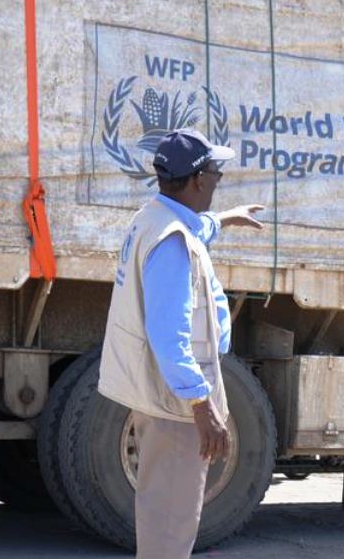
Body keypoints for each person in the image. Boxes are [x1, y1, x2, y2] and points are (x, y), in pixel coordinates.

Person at [97, 129, 263, 559]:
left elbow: (196, 229)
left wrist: (227, 217)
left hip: (165, 402)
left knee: (162, 518)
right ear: (197, 181)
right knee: (169, 530)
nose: (218, 179)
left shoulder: (153, 219)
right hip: (176, 409)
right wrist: (201, 406)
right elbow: (169, 338)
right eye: (216, 172)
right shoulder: (171, 242)